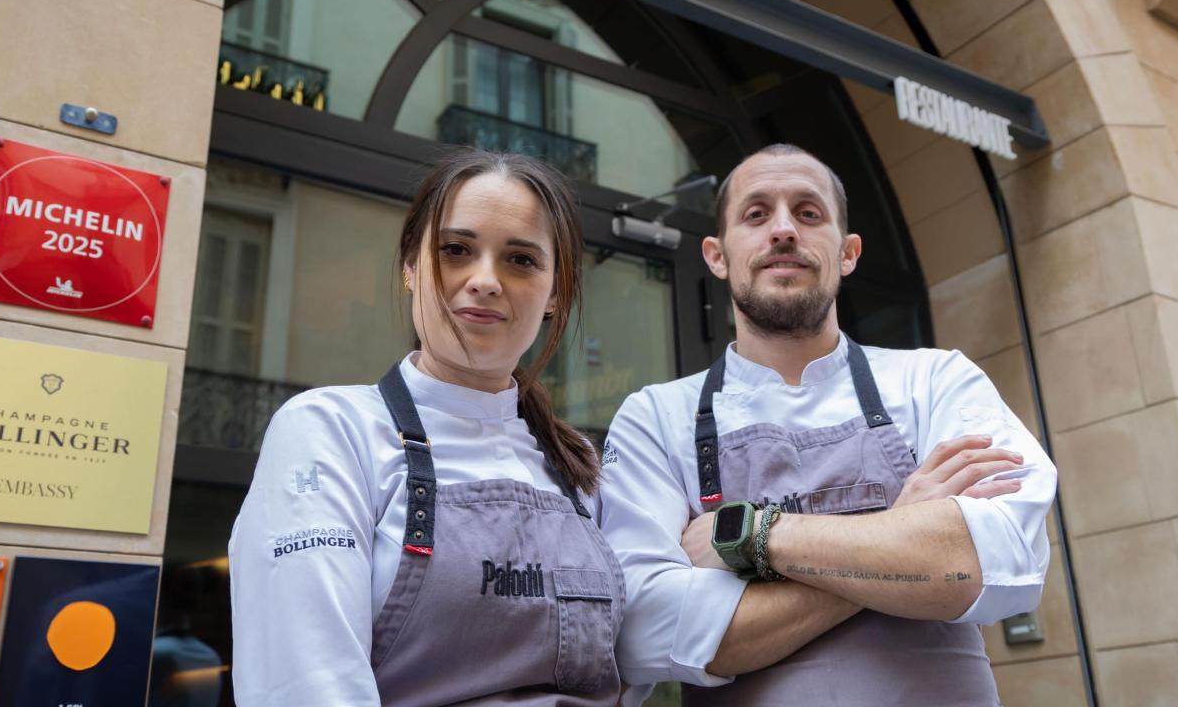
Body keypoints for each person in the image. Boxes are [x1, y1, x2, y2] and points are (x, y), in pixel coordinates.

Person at [598, 144, 1057, 705]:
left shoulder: (937, 379)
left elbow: (998, 560)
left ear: (848, 252)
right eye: (757, 214)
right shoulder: (655, 417)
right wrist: (901, 536)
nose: (784, 230)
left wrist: (754, 539)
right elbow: (646, 632)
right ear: (717, 256)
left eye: (809, 213)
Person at [229, 149, 622, 706]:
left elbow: (642, 654)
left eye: (521, 260)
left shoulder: (580, 464)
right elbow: (307, 685)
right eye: (455, 250)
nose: (485, 280)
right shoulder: (330, 431)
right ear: (409, 268)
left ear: (556, 291)